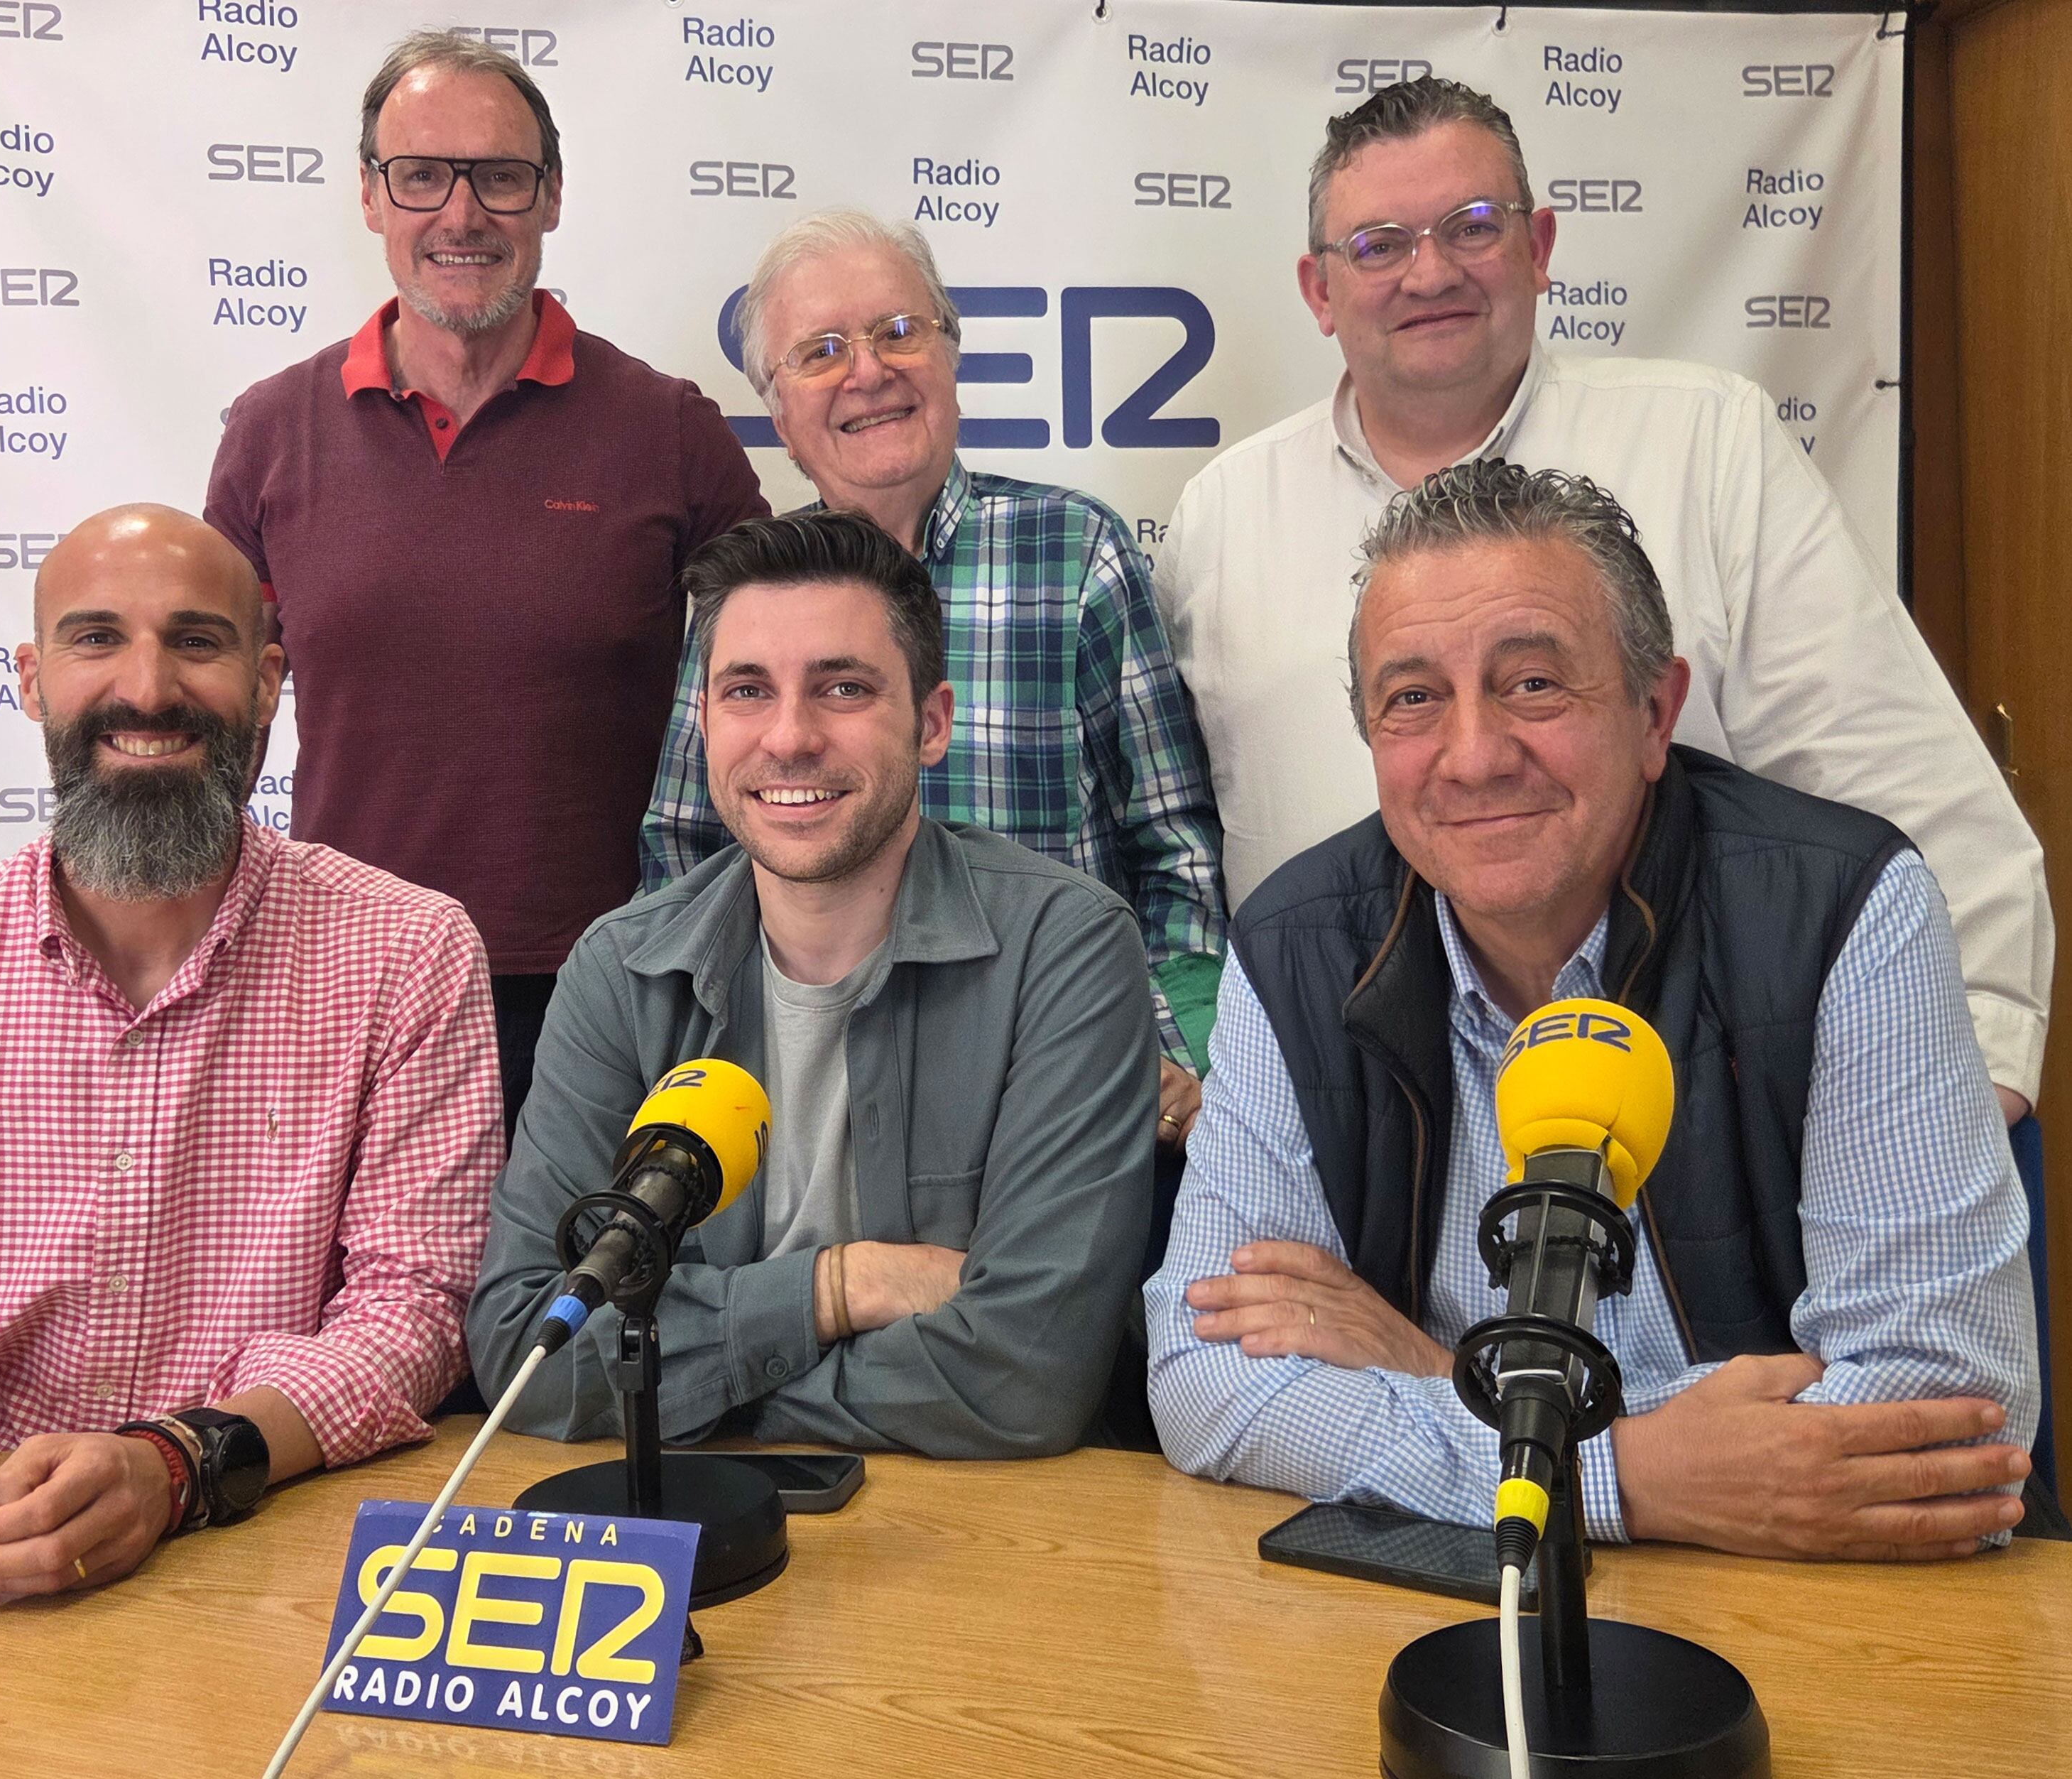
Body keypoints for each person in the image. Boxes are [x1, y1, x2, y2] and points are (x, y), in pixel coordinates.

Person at [1146, 461, 2039, 1560]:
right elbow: (1205, 1379)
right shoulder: (1294, 947)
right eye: (1413, 698)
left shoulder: (1847, 911)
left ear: (1656, 711)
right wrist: (1623, 1472)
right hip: (1477, 1618)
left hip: (1839, 1628)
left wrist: (1440, 1370)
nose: (1473, 756)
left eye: (1533, 684)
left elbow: (1944, 1420)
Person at [1153, 75, 2050, 1122]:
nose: (1429, 271)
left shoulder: (1709, 445)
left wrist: (1963, 1088)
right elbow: (1179, 847)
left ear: (1539, 248)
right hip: (1352, 1118)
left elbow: (1910, 788)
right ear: (1319, 288)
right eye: (1381, 243)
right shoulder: (1220, 514)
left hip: (1691, 1099)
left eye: (1472, 226)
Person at [0, 506, 502, 1611]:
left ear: (269, 682)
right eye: (95, 639)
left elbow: (417, 1312)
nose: (148, 687)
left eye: (197, 641)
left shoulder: (409, 953)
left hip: (270, 1564)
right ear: (29, 679)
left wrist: (177, 1463)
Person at [472, 510, 1155, 1456]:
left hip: (983, 1542)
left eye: (842, 687)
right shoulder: (619, 968)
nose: (789, 738)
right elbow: (522, 1350)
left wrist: (683, 1383)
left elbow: (1027, 1376)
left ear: (931, 723)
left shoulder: (1065, 947)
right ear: (704, 722)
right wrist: (842, 1286)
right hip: (690, 1525)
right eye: (748, 690)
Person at [205, 30, 767, 1116]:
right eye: (421, 175)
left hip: (618, 991)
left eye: (500, 177)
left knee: (598, 1289)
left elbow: (778, 680)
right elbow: (219, 717)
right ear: (371, 197)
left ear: (551, 196)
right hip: (345, 979)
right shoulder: (270, 433)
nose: (460, 215)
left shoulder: (670, 431)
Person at [639, 211, 1226, 1157]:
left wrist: (1173, 1056)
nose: (868, 371)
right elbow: (684, 852)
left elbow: (1175, 853)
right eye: (821, 350)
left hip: (1065, 1093)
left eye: (898, 332)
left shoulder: (1076, 555)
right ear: (780, 413)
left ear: (951, 358)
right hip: (807, 1112)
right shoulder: (738, 599)